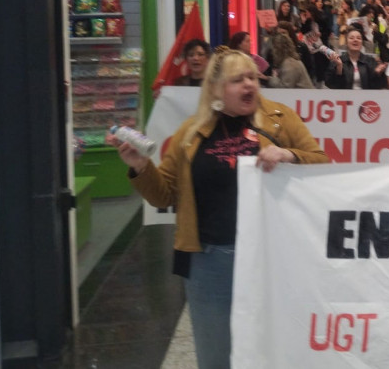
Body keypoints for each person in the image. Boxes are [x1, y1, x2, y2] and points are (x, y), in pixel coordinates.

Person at [118, 48, 328, 369]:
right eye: (237, 80)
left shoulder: (280, 120)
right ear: (216, 90)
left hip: (272, 258)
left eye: (252, 77)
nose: (249, 85)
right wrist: (140, 167)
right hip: (209, 262)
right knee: (216, 356)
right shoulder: (190, 134)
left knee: (274, 352)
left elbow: (321, 163)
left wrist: (288, 155)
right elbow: (164, 196)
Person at [324, 25, 387, 89]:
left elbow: (378, 86)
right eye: (351, 38)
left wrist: (378, 74)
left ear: (362, 42)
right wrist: (339, 67)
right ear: (346, 42)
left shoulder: (370, 61)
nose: (355, 40)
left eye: (358, 38)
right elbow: (330, 84)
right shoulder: (338, 60)